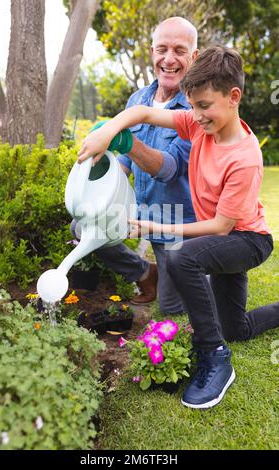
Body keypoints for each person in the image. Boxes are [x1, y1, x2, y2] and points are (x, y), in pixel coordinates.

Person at [77, 45, 279, 409]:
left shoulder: (244, 158)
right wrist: (109, 131)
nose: (196, 115)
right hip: (226, 239)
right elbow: (141, 111)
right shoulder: (199, 125)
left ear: (234, 97)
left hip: (247, 240)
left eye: (204, 106)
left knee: (183, 258)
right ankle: (228, 336)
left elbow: (220, 227)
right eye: (192, 105)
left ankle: (214, 356)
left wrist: (156, 224)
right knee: (238, 328)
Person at [73, 17, 198, 315]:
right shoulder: (137, 99)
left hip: (175, 222)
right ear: (152, 51)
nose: (169, 59)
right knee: (83, 224)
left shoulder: (198, 107)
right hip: (140, 212)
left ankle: (199, 272)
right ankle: (145, 272)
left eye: (179, 51)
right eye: (162, 49)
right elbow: (124, 164)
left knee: (171, 310)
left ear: (193, 57)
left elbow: (169, 169)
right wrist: (99, 189)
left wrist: (127, 142)